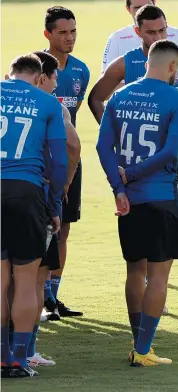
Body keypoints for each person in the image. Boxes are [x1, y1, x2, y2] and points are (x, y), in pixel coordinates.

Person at [89, 5, 178, 317]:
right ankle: (155, 298)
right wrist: (117, 134)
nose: (157, 36)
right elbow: (96, 97)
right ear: (137, 31)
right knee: (149, 228)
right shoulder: (127, 63)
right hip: (140, 162)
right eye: (150, 31)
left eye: (162, 30)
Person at [97, 40, 178, 366]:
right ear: (173, 67)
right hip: (162, 196)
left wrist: (119, 187)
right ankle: (144, 349)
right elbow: (169, 151)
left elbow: (102, 147)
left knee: (135, 270)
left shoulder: (119, 96)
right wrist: (134, 174)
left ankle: (137, 343)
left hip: (130, 201)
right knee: (159, 276)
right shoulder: (177, 99)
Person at [1, 54, 68, 377]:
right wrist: (53, 205)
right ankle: (18, 360)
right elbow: (58, 162)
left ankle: (0, 356)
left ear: (8, 74)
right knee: (26, 281)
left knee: (0, 282)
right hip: (26, 192)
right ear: (39, 76)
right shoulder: (48, 104)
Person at [25, 51, 81, 368]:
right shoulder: (53, 109)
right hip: (39, 198)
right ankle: (26, 350)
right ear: (43, 77)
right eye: (55, 76)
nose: (58, 82)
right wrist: (63, 187)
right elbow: (72, 147)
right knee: (34, 279)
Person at [43, 6, 90, 318]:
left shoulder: (80, 71)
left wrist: (70, 170)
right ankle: (39, 296)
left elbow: (73, 117)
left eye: (73, 31)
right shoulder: (36, 67)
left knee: (64, 230)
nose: (69, 37)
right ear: (47, 34)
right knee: (42, 230)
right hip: (41, 161)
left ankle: (53, 298)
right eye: (62, 32)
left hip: (70, 158)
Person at [102, 0, 178, 74]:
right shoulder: (117, 39)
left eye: (147, 5)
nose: (144, 11)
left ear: (154, 3)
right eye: (137, 8)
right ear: (128, 9)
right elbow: (107, 79)